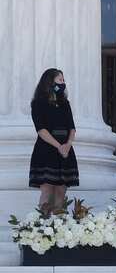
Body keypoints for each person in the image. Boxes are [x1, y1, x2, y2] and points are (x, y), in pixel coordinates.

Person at [29, 68, 78, 213]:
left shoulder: (65, 103)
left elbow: (72, 127)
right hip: (46, 149)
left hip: (65, 150)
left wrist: (67, 145)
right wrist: (59, 146)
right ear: (50, 82)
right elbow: (41, 129)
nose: (63, 83)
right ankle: (43, 227)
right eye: (60, 80)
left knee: (61, 191)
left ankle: (59, 225)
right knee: (47, 190)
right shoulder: (38, 103)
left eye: (63, 80)